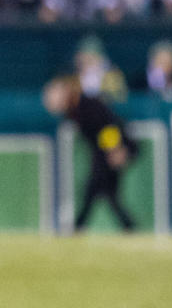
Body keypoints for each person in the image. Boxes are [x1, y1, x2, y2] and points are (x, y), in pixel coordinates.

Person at [42, 75, 138, 232]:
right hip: (104, 152)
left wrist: (115, 150)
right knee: (105, 193)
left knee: (96, 190)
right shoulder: (76, 109)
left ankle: (79, 228)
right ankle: (129, 228)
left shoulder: (87, 105)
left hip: (113, 150)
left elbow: (108, 126)